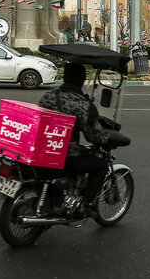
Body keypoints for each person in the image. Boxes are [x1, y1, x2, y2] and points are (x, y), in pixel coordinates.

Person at [37, 62, 111, 217]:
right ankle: (85, 205)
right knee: (101, 166)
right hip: (66, 156)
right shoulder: (82, 104)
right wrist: (106, 138)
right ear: (82, 80)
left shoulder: (49, 96)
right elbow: (93, 135)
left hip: (41, 150)